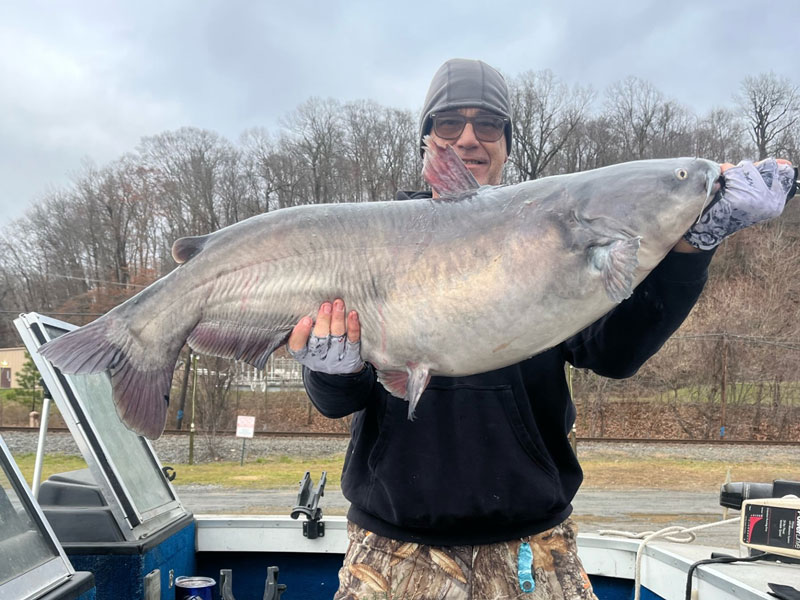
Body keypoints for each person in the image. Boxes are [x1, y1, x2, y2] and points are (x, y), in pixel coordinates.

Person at [287, 59, 797, 599]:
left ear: (507, 144)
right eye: (448, 124)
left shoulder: (549, 239)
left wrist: (695, 247)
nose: (468, 139)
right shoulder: (364, 242)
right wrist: (331, 370)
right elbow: (339, 401)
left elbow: (615, 353)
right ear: (425, 141)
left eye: (488, 125)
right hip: (391, 551)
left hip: (534, 546)